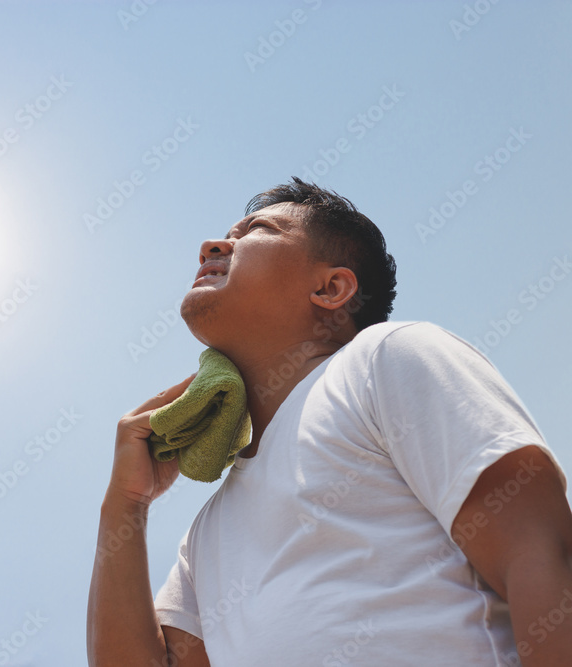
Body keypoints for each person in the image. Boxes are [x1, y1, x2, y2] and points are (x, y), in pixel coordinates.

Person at [86, 177, 572, 666]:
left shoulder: (386, 358)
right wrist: (126, 504)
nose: (212, 246)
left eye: (256, 230)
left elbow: (539, 551)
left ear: (331, 288)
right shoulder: (206, 534)